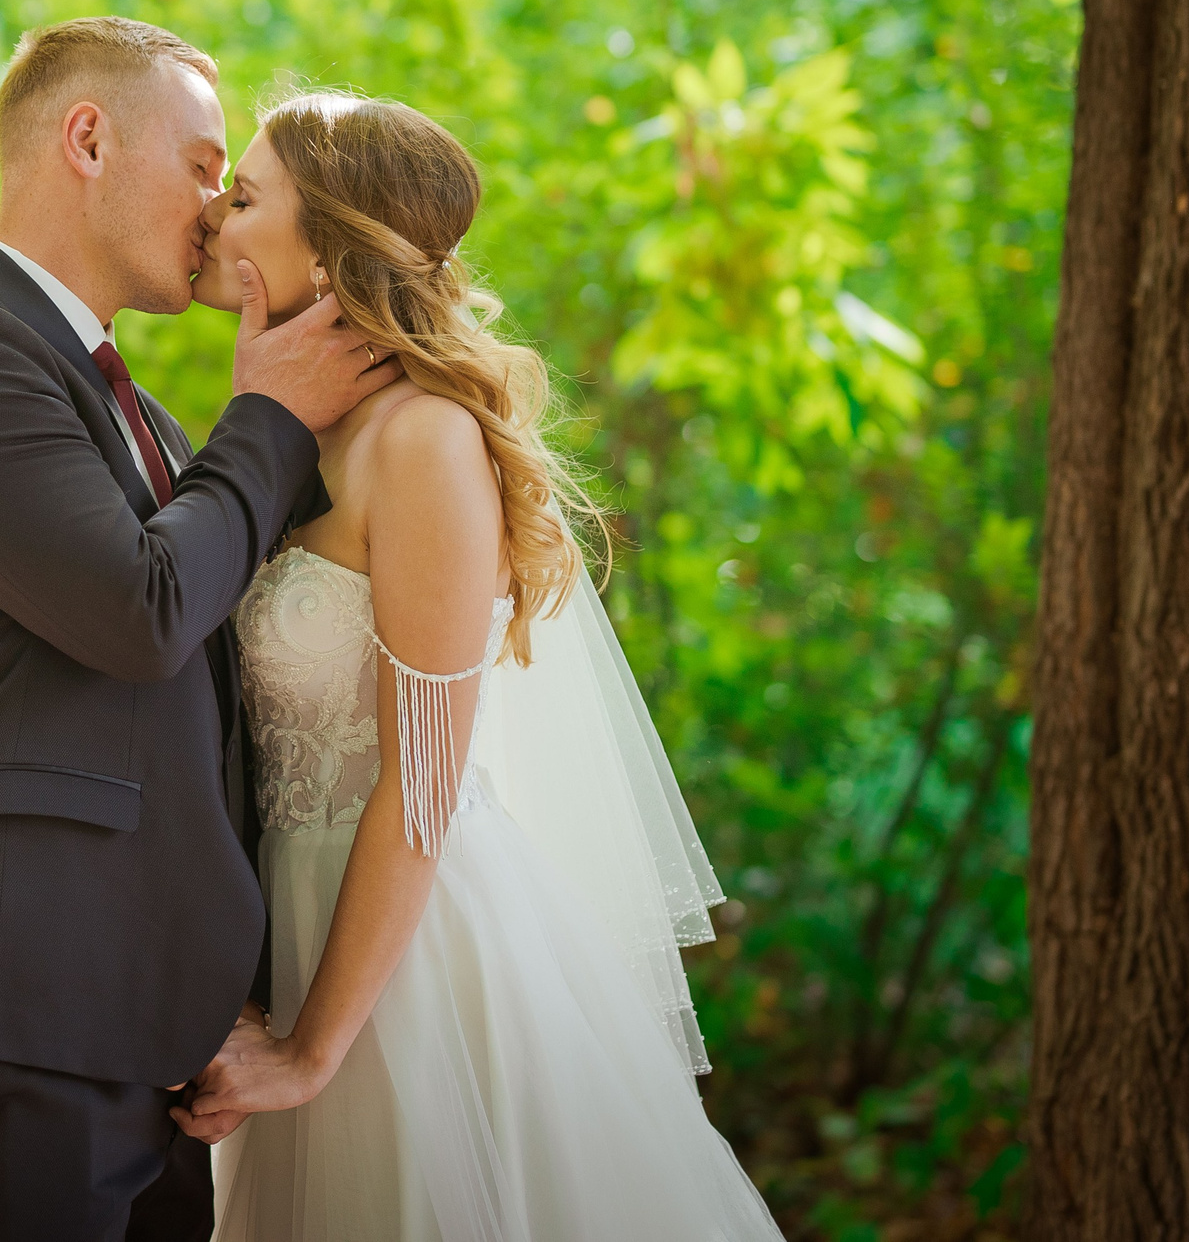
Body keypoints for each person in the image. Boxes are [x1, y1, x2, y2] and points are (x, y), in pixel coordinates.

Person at [176, 91, 784, 1241]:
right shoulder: (294, 424)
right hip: (286, 929)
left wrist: (311, 1050)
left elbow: (428, 774)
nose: (212, 212)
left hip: (405, 968)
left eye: (245, 195)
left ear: (335, 241)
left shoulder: (424, 437)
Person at [0, 19, 395, 1242]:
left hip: (144, 1025)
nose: (217, 208)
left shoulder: (149, 420)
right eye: (204, 165)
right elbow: (139, 609)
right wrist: (272, 412)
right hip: (6, 1008)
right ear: (87, 137)